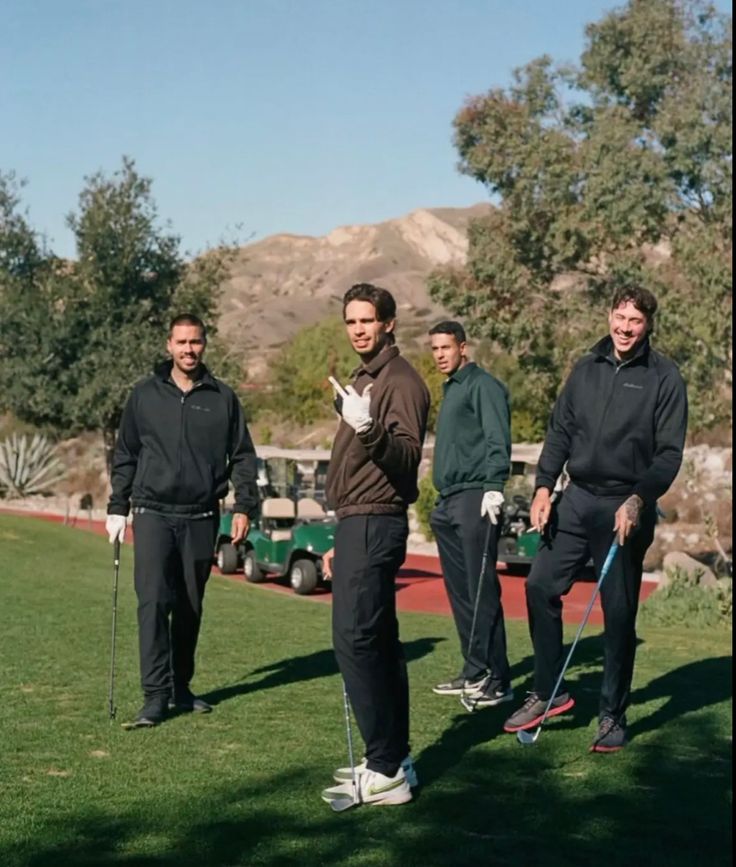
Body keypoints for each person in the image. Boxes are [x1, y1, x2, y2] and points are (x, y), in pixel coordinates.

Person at [503, 286, 688, 752]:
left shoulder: (664, 377)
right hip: (577, 497)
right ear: (609, 315)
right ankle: (548, 691)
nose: (625, 328)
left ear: (648, 325)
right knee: (540, 585)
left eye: (635, 321)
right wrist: (544, 486)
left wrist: (639, 498)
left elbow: (668, 453)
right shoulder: (585, 368)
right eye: (619, 317)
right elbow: (561, 431)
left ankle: (611, 716)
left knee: (619, 614)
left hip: (625, 505)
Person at [105, 313, 258, 729]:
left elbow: (243, 456)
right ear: (168, 345)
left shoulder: (222, 398)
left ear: (204, 344)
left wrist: (245, 505)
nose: (189, 349)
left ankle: (180, 687)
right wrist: (117, 506)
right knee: (154, 601)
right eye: (181, 342)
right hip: (152, 512)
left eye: (196, 342)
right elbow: (126, 455)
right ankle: (155, 696)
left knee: (190, 606)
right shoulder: (144, 396)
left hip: (201, 516)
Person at [319, 283, 430, 808]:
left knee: (355, 641)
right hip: (358, 523)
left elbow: (405, 462)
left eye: (367, 320)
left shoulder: (401, 381)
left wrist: (366, 428)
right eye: (351, 321)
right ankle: (394, 757)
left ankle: (384, 767)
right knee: (379, 642)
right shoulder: (367, 378)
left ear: (389, 322)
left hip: (375, 521)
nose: (358, 328)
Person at [428, 321, 513, 709]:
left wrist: (494, 484)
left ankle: (499, 678)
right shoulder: (451, 390)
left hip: (476, 497)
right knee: (461, 594)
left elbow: (497, 438)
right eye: (435, 349)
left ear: (464, 347)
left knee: (482, 591)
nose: (440, 354)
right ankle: (474, 669)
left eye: (446, 347)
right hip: (449, 501)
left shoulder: (484, 385)